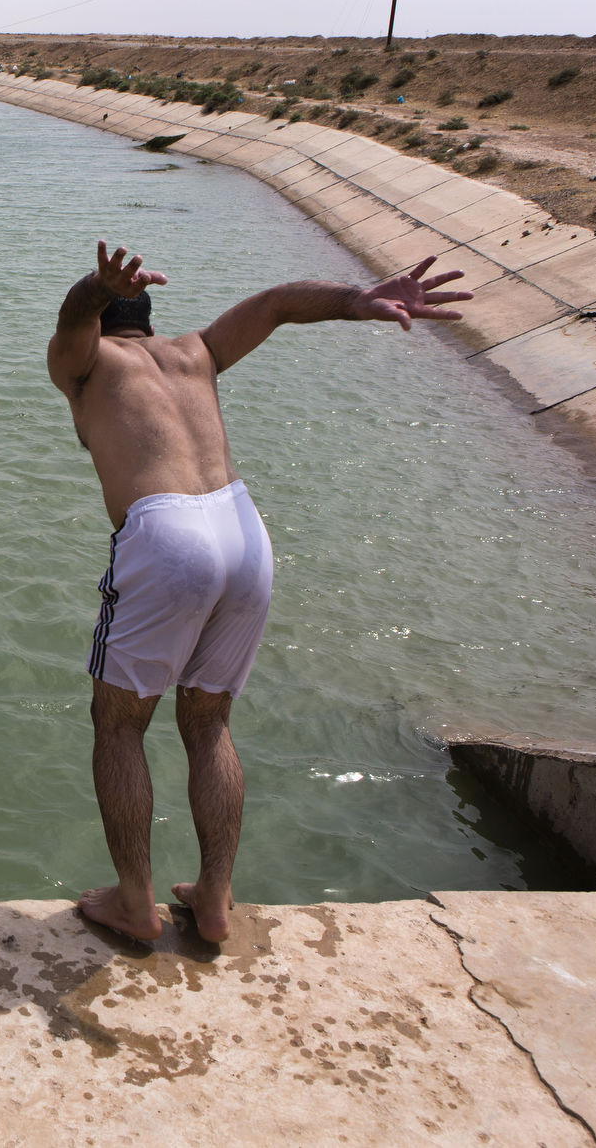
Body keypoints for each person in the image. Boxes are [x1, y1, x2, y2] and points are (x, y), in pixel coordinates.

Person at [46, 241, 470, 944]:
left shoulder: (84, 364)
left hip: (166, 533)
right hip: (243, 530)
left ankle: (133, 899)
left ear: (100, 321)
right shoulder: (196, 353)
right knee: (209, 722)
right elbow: (275, 305)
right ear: (150, 317)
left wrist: (90, 286)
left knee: (119, 723)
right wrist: (355, 300)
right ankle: (213, 899)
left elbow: (69, 323)